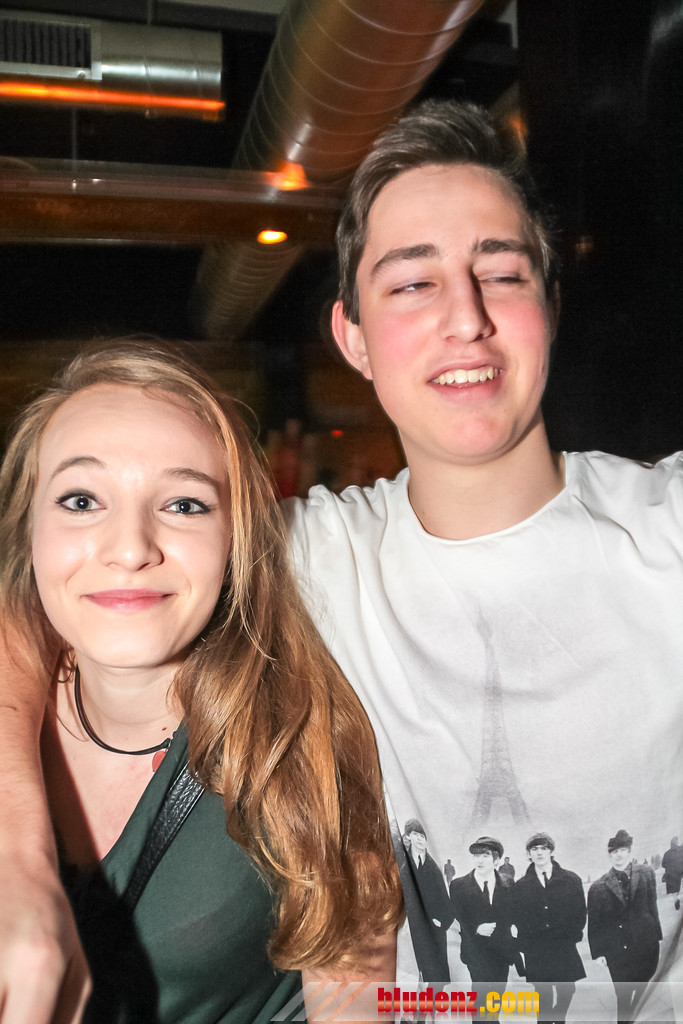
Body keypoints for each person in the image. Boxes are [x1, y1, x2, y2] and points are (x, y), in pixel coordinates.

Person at [1, 98, 683, 1021]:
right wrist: (18, 863)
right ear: (351, 339)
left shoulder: (666, 529)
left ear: (549, 308)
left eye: (501, 272)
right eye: (412, 283)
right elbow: (43, 604)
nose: (465, 318)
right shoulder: (310, 552)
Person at [0, 342, 401, 1023]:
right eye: (81, 499)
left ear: (236, 542)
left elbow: (354, 999)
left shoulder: (304, 745)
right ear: (29, 529)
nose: (131, 548)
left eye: (185, 504)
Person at [588, 829, 662, 1024]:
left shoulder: (646, 873)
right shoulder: (598, 887)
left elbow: (652, 904)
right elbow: (594, 923)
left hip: (645, 942)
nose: (618, 855)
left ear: (629, 851)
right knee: (623, 994)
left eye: (622, 850)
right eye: (614, 852)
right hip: (618, 950)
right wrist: (598, 952)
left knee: (643, 983)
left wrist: (657, 935)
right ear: (609, 855)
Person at [511, 834, 585, 1023]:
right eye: (534, 849)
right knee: (542, 993)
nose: (539, 853)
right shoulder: (520, 886)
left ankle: (558, 1019)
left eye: (544, 848)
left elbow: (579, 912)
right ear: (529, 854)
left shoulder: (571, 880)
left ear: (551, 851)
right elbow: (518, 917)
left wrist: (571, 935)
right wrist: (527, 941)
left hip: (563, 945)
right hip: (536, 949)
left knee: (567, 989)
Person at [449, 837, 516, 1018]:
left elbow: (513, 912)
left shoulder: (508, 883)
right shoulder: (458, 885)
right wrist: (475, 929)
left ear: (496, 860)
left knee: (496, 998)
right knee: (480, 1000)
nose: (479, 860)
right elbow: (458, 914)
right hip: (476, 951)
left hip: (501, 951)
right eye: (476, 856)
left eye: (485, 856)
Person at [399, 818, 454, 985]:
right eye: (416, 834)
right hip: (409, 931)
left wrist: (441, 922)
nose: (420, 839)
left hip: (433, 929)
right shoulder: (402, 865)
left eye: (423, 836)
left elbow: (445, 902)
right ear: (408, 837)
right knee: (410, 977)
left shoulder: (434, 869)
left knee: (435, 979)